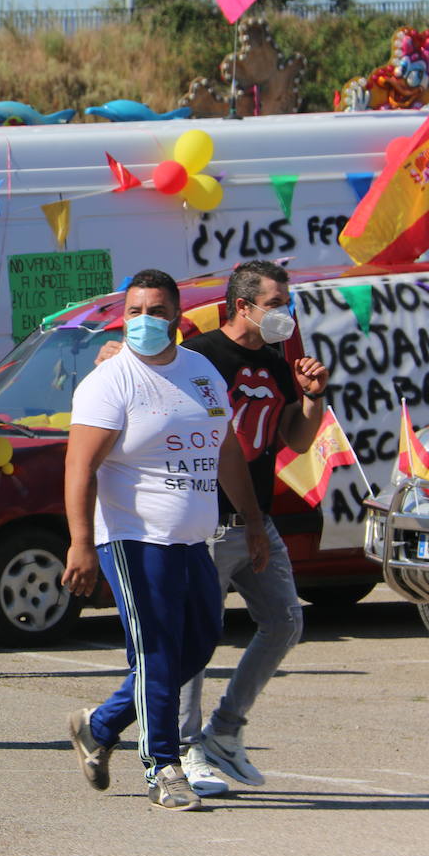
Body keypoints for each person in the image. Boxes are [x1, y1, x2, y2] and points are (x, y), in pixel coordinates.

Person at [62, 269, 266, 812]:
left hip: (192, 539)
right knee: (156, 650)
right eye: (135, 311)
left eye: (156, 311)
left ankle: (100, 726)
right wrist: (81, 542)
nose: (145, 320)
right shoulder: (110, 382)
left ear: (177, 316)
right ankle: (163, 767)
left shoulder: (200, 372)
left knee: (197, 645)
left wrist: (253, 520)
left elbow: (226, 450)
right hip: (133, 537)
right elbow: (80, 467)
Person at [177, 260, 329, 793]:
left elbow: (297, 439)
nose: (285, 313)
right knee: (197, 636)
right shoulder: (200, 356)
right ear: (242, 306)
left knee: (285, 621)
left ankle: (224, 731)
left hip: (257, 519)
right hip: (206, 521)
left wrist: (312, 396)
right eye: (275, 304)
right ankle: (185, 747)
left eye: (288, 303)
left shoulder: (276, 360)